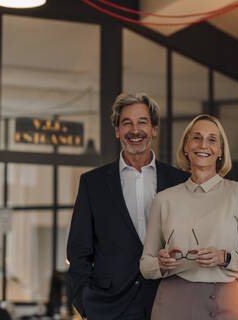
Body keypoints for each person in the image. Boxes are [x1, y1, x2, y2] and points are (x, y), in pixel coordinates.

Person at [66, 93, 189, 320]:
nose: (135, 130)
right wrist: (85, 302)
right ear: (117, 131)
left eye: (142, 122)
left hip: (168, 302)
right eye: (127, 123)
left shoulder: (180, 180)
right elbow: (78, 251)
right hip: (110, 307)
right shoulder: (92, 183)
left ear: (154, 129)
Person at [140, 114, 238, 320]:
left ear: (220, 151)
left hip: (222, 300)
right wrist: (161, 264)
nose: (203, 145)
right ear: (186, 147)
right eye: (196, 138)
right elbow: (145, 264)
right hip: (172, 301)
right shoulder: (164, 199)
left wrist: (224, 257)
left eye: (212, 139)